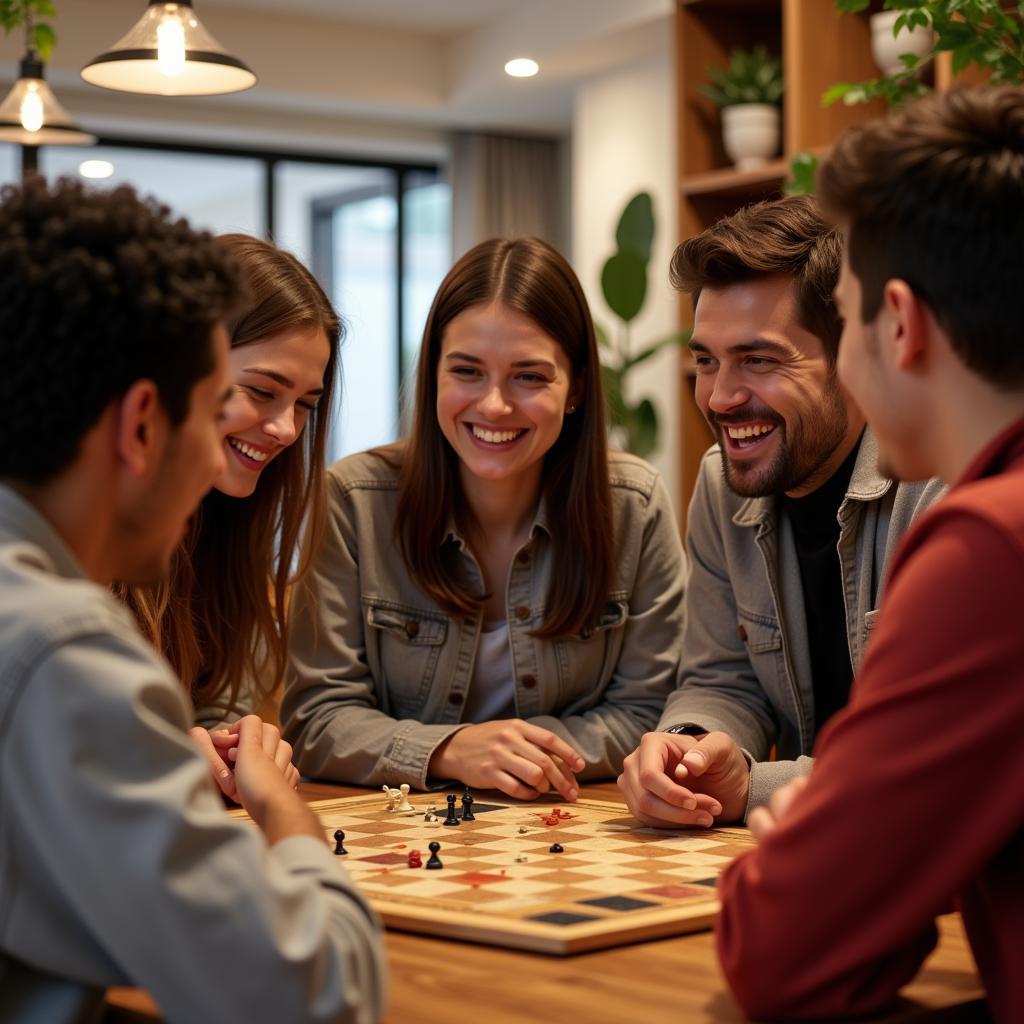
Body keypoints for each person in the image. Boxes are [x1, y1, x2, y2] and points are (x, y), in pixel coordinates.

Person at [0, 177, 385, 1022]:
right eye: (218, 407)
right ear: (142, 424)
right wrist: (284, 811)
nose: (271, 436)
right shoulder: (64, 649)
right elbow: (319, 994)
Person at [716, 85, 1024, 1023]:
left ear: (901, 322)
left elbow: (786, 953)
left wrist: (791, 846)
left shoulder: (989, 550)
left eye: (843, 321)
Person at [282, 236, 685, 800]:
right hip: (406, 832)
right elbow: (316, 719)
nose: (494, 405)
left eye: (530, 376)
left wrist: (519, 755)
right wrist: (453, 749)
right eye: (466, 371)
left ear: (577, 390)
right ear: (433, 376)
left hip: (576, 825)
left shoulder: (633, 506)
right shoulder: (354, 499)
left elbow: (650, 710)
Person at [617, 195, 943, 827]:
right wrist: (688, 746)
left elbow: (935, 753)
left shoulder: (938, 486)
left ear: (857, 356)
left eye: (759, 360)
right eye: (705, 361)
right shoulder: (721, 484)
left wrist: (756, 786)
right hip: (820, 846)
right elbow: (721, 678)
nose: (719, 397)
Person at [117, 233, 339, 800]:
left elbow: (219, 704)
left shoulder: (227, 523)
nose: (287, 430)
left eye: (305, 406)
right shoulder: (64, 527)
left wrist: (238, 745)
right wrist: (148, 749)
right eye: (261, 391)